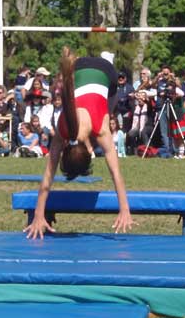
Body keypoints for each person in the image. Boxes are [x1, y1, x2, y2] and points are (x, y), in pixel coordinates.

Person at [23, 48, 135, 239]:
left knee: (108, 102)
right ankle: (102, 60)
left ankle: (107, 59)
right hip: (79, 67)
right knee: (102, 104)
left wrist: (125, 210)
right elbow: (46, 180)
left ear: (90, 150)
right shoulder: (63, 129)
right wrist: (39, 215)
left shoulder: (101, 130)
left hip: (106, 70)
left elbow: (116, 172)